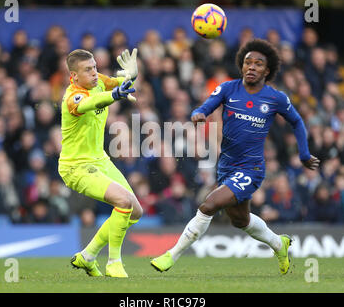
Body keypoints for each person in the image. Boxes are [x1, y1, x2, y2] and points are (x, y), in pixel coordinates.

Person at [151, 39, 320, 275]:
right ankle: (278, 244)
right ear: (241, 66)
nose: (251, 67)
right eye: (247, 62)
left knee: (207, 205)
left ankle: (172, 255)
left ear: (267, 70)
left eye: (258, 64)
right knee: (240, 220)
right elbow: (205, 106)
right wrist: (198, 113)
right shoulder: (228, 88)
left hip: (251, 169)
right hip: (226, 166)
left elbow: (297, 122)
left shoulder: (275, 98)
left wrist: (303, 153)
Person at [59, 48, 143, 278]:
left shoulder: (98, 82)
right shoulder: (72, 97)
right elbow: (88, 103)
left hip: (100, 160)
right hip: (75, 166)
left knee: (135, 211)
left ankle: (88, 256)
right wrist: (114, 95)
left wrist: (131, 75)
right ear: (74, 76)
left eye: (95, 67)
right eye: (88, 70)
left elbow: (120, 83)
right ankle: (114, 262)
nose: (95, 73)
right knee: (123, 201)